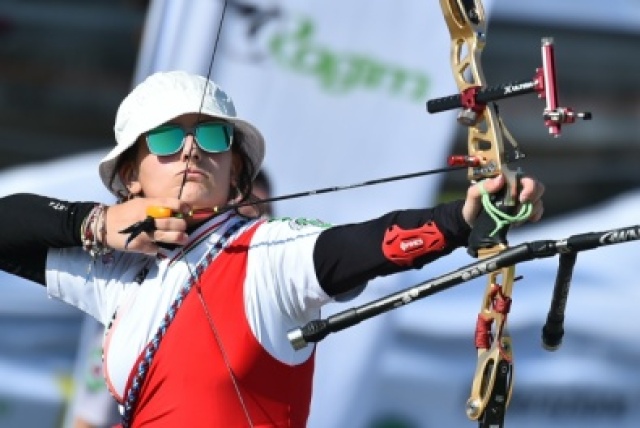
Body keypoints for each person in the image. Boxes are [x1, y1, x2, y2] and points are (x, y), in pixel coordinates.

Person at [0, 70, 544, 427]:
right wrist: (93, 222)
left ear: (235, 168)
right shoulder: (116, 272)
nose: (191, 148)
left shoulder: (266, 253)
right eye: (166, 140)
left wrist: (461, 216)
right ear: (131, 176)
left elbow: (354, 247)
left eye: (212, 138)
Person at [66, 167, 274, 428]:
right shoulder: (142, 292)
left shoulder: (271, 293)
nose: (245, 226)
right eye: (236, 213)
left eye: (257, 213)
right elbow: (88, 417)